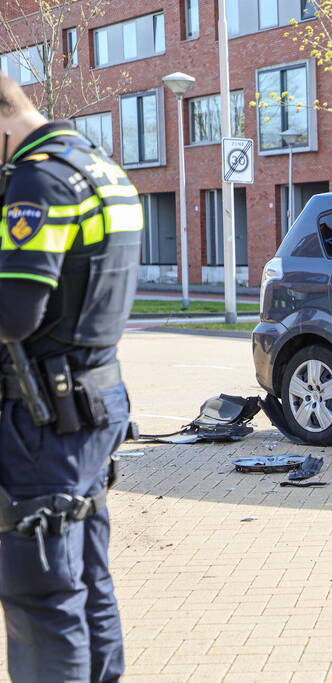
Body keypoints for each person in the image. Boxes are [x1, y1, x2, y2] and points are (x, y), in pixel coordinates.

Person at [0, 73, 142, 681]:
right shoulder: (98, 167)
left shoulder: (40, 180)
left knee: (41, 594)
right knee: (87, 578)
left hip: (44, 417)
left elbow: (15, 312)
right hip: (91, 400)